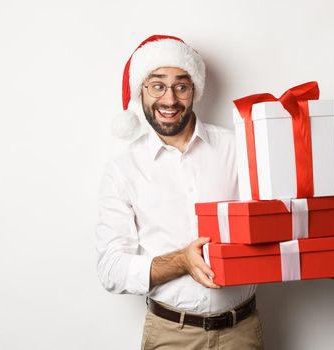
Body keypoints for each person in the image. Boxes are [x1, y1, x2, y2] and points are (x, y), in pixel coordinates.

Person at [96, 35, 264, 349]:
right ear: (141, 92)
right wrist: (180, 262)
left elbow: (272, 219)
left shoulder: (239, 148)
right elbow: (111, 269)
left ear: (194, 90)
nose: (169, 100)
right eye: (157, 85)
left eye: (181, 86)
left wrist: (316, 252)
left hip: (241, 332)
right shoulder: (123, 168)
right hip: (171, 335)